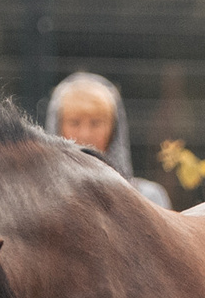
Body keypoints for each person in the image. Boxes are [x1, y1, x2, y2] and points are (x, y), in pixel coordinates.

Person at [45, 71, 171, 206]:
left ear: (114, 130)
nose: (85, 134)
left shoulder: (148, 198)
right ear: (57, 127)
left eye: (96, 123)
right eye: (75, 122)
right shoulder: (40, 199)